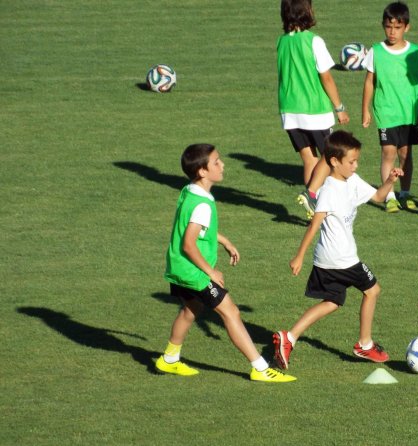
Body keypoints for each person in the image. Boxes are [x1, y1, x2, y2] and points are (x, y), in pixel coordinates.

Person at [157, 143, 296, 382]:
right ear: (202, 171)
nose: (222, 165)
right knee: (231, 311)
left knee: (191, 310)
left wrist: (223, 240)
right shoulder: (203, 205)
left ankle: (169, 359)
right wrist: (210, 271)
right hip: (195, 273)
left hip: (178, 268)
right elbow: (189, 244)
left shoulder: (189, 191)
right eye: (216, 162)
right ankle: (260, 369)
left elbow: (192, 229)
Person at [272, 131, 403, 369]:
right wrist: (299, 256)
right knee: (373, 291)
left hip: (326, 260)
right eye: (351, 161)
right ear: (334, 161)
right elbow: (315, 224)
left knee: (332, 302)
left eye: (356, 160)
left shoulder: (351, 180)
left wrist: (389, 181)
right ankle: (364, 345)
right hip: (342, 259)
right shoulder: (329, 190)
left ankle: (288, 337)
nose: (355, 165)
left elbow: (377, 197)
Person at [277, 0, 350, 219]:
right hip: (314, 110)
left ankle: (312, 207)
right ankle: (312, 195)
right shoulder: (314, 41)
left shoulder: (281, 42)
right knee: (331, 157)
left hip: (289, 109)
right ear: (307, 11)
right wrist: (340, 107)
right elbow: (326, 76)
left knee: (309, 159)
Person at [362, 1, 418, 213]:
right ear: (383, 25)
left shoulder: (415, 52)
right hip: (386, 112)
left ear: (406, 27)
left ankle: (405, 194)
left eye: (397, 27)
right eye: (388, 26)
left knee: (406, 154)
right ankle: (389, 195)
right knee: (388, 152)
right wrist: (366, 110)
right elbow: (370, 81)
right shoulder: (376, 51)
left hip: (408, 114)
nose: (392, 32)